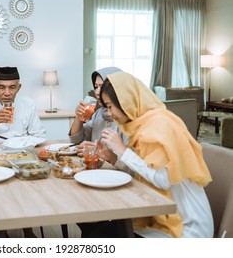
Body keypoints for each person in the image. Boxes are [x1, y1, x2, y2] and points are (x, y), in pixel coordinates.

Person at [99, 72, 213, 238]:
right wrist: (114, 158)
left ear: (125, 100)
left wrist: (123, 151)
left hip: (188, 227)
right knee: (107, 229)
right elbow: (144, 172)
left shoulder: (159, 125)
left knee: (111, 231)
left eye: (110, 106)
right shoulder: (142, 125)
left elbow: (163, 180)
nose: (109, 113)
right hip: (166, 214)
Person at [68, 67, 128, 159]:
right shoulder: (100, 113)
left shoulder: (128, 118)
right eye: (96, 86)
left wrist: (100, 153)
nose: (97, 92)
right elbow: (76, 141)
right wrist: (78, 118)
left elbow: (133, 163)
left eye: (102, 86)